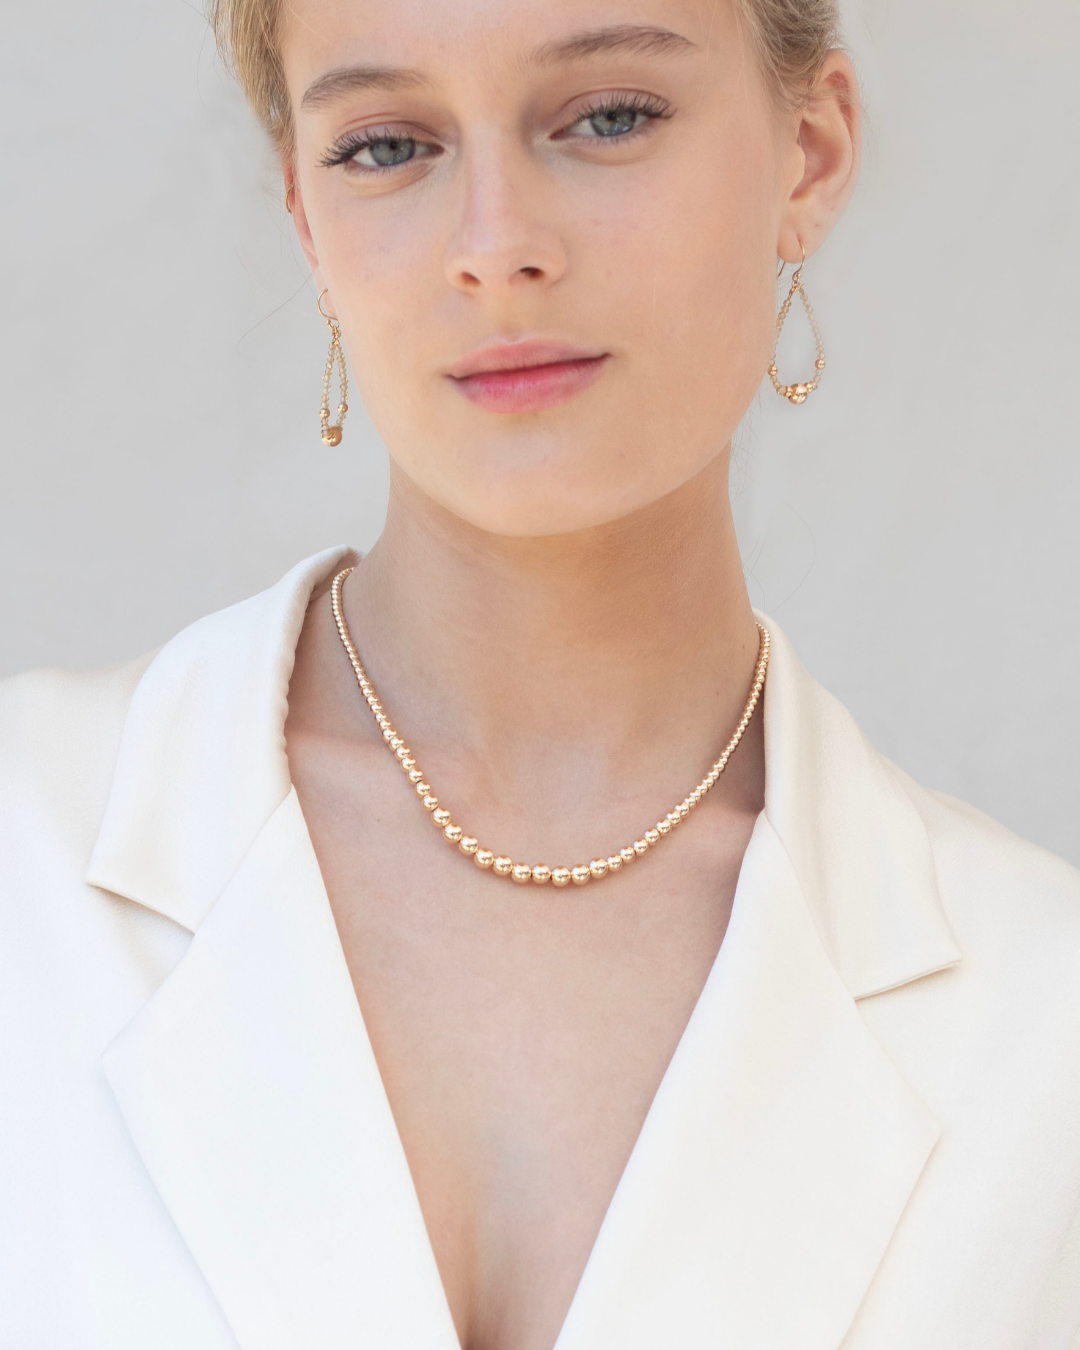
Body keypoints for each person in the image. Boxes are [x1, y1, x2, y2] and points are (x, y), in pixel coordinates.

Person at [1, 0, 1078, 1346]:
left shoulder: (1047, 1022)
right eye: (387, 145)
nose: (497, 244)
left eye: (609, 117)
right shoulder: (22, 855)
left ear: (808, 152)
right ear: (305, 217)